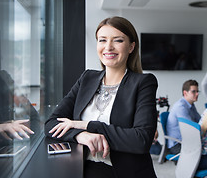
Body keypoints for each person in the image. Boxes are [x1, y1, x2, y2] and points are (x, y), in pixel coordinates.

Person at [44, 17, 158, 178]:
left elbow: (141, 140)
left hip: (124, 173)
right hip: (84, 169)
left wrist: (87, 125)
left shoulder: (144, 83)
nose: (108, 47)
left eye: (117, 40)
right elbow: (51, 124)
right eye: (102, 40)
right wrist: (80, 135)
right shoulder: (87, 78)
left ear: (131, 47)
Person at [166, 79, 201, 154]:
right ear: (185, 93)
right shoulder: (181, 107)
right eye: (194, 91)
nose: (197, 94)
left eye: (197, 91)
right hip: (177, 145)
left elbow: (200, 121)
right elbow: (192, 129)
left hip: (186, 141)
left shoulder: (190, 104)